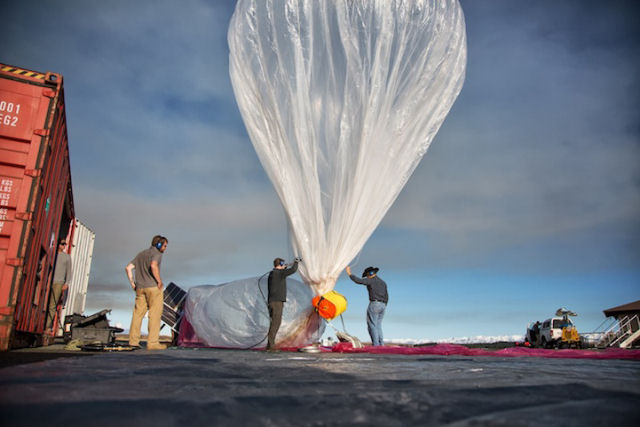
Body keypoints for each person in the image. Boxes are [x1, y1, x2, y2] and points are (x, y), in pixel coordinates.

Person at [125, 235, 168, 350]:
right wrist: (159, 281)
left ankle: (133, 341)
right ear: (159, 244)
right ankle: (153, 343)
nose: (165, 248)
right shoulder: (157, 254)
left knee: (137, 315)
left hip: (140, 288)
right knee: (154, 314)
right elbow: (153, 265)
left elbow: (128, 268)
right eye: (164, 245)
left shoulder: (141, 254)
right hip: (153, 288)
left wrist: (133, 284)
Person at [346, 265, 388, 346]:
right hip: (383, 305)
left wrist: (349, 273)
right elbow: (387, 295)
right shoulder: (383, 283)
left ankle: (376, 345)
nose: (367, 277)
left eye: (367, 275)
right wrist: (384, 305)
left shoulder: (371, 280)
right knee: (378, 325)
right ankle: (381, 344)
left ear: (370, 274)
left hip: (374, 304)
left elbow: (359, 281)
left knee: (372, 325)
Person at [266, 257, 299, 351]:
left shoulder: (273, 273)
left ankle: (269, 345)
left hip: (272, 301)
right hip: (277, 302)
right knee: (276, 323)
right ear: (280, 264)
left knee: (274, 323)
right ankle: (271, 346)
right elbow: (293, 269)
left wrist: (284, 268)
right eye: (282, 264)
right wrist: (296, 262)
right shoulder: (279, 273)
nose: (284, 265)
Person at [46, 239, 73, 330]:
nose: (64, 246)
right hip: (48, 281)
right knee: (44, 303)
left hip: (59, 283)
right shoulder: (51, 253)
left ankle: (47, 326)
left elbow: (69, 272)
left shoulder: (67, 257)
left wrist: (66, 283)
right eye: (62, 244)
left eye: (65, 244)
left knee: (52, 305)